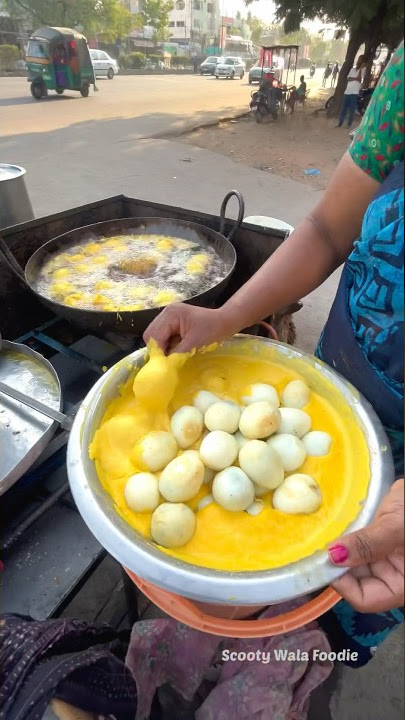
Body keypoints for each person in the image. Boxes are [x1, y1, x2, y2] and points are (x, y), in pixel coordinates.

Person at [144, 42, 404, 666]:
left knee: (335, 623)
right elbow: (327, 229)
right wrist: (228, 316)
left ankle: (305, 674)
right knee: (251, 601)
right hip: (333, 392)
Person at [337, 54, 365, 128]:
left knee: (352, 109)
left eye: (361, 59)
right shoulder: (352, 69)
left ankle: (349, 124)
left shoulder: (362, 70)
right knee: (344, 108)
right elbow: (348, 78)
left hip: (355, 92)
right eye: (359, 59)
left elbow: (359, 79)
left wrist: (359, 72)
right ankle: (340, 123)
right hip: (348, 91)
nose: (359, 61)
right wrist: (355, 78)